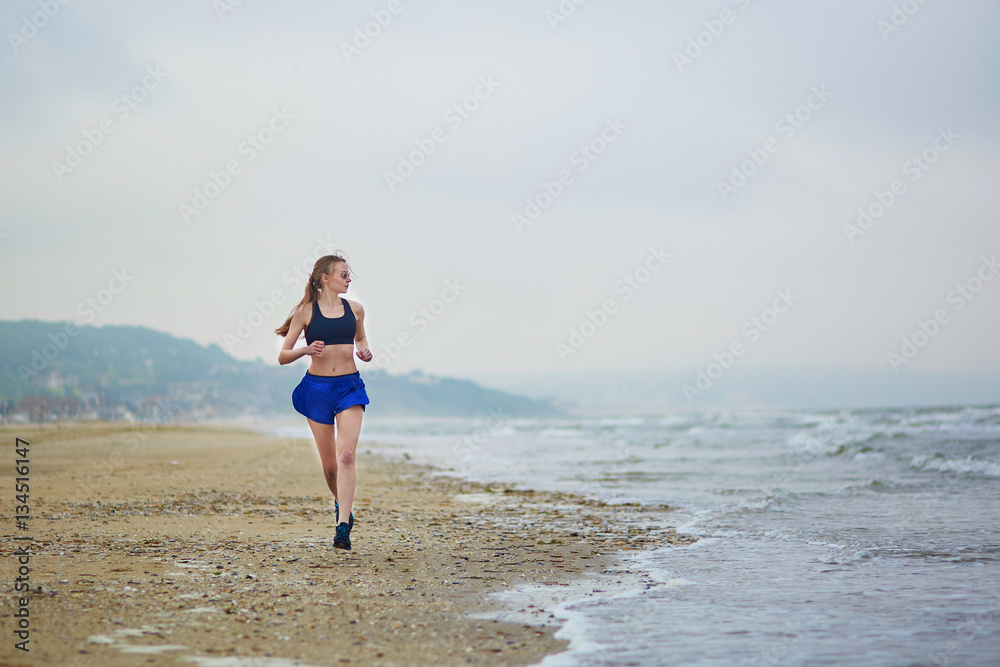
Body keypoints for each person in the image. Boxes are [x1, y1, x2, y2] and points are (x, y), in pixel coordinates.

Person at [275, 254, 373, 550]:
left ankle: (343, 525)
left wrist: (364, 352)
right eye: (343, 274)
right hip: (317, 389)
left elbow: (361, 340)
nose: (348, 279)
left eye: (348, 275)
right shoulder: (305, 312)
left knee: (346, 456)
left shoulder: (355, 310)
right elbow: (283, 355)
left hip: (349, 387)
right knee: (330, 467)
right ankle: (340, 502)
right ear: (325, 278)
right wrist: (306, 350)